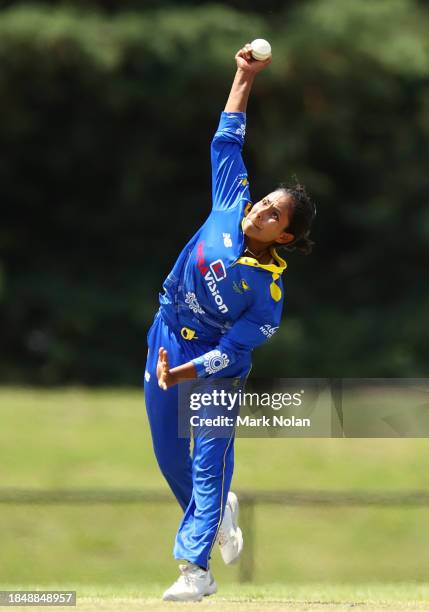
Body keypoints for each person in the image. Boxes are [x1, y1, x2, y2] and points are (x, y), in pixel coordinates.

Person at [143, 43, 316, 602]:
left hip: (215, 365)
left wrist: (185, 374)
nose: (259, 210)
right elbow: (227, 137)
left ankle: (195, 571)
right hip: (168, 331)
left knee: (207, 458)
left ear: (283, 236)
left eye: (273, 214)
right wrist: (244, 75)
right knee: (171, 457)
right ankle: (220, 511)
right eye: (264, 201)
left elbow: (232, 355)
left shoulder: (267, 294)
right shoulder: (230, 199)